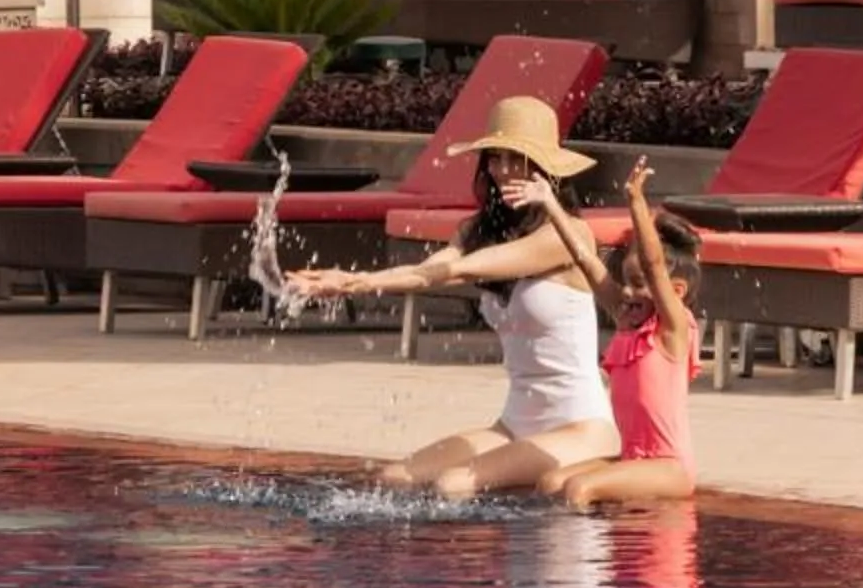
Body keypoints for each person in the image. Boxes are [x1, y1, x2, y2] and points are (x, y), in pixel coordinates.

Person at [282, 95, 618, 497]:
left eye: (518, 160)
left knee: (453, 485)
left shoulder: (567, 235)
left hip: (580, 426)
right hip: (514, 424)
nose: (504, 171)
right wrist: (348, 281)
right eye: (496, 159)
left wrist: (362, 282)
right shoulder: (477, 230)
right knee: (395, 479)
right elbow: (427, 275)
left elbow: (463, 269)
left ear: (545, 170)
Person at [527, 162, 702, 512]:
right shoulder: (627, 320)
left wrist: (636, 203)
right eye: (625, 280)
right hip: (631, 458)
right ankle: (555, 558)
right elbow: (586, 261)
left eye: (639, 285)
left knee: (579, 489)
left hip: (669, 466)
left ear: (675, 290)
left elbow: (654, 266)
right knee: (549, 483)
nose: (626, 291)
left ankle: (583, 562)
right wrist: (551, 205)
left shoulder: (673, 332)